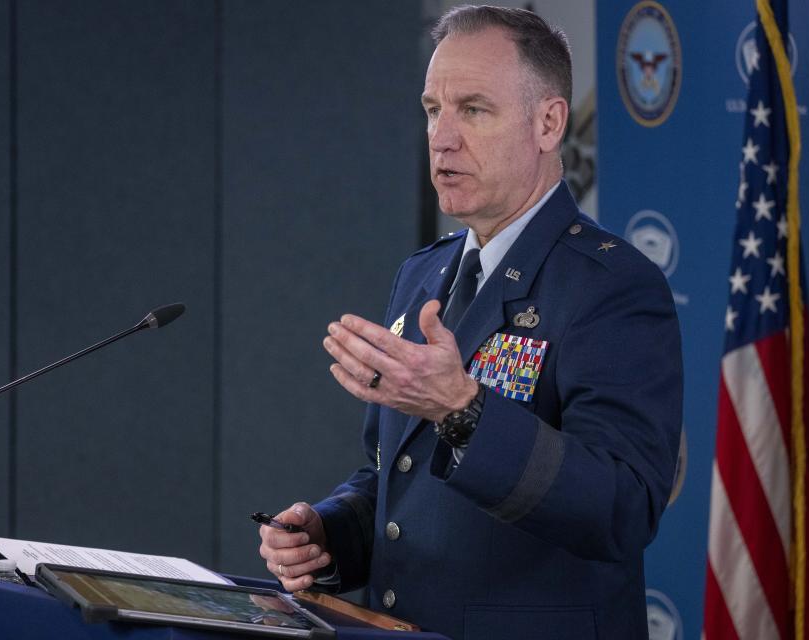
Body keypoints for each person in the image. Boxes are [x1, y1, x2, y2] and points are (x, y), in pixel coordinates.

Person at [258, 6, 682, 639]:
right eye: (434, 110)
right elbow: (393, 477)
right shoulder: (423, 275)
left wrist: (464, 411)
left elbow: (621, 507)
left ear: (548, 123)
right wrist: (330, 533)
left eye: (474, 110)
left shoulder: (612, 286)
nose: (442, 137)